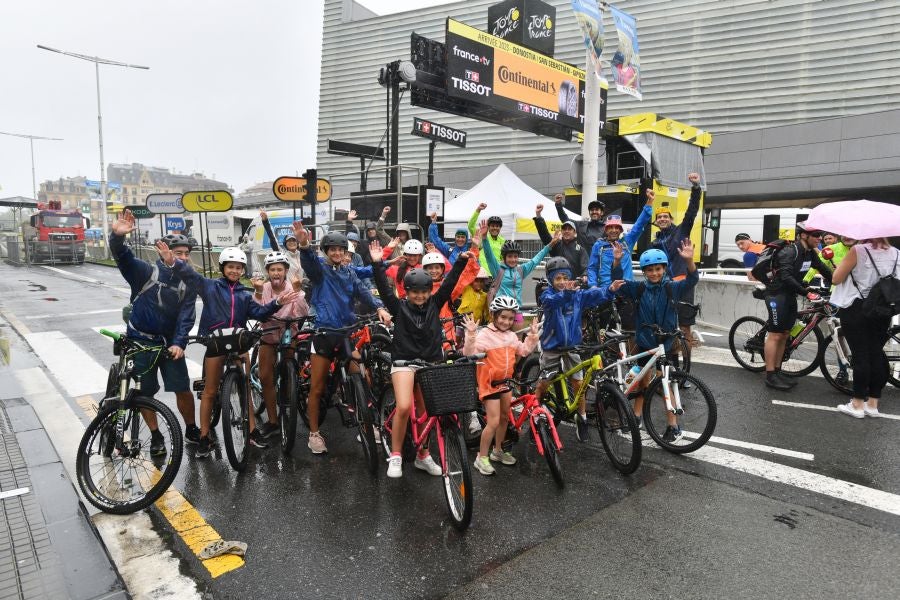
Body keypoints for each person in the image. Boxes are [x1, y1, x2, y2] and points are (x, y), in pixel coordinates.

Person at [159, 244, 300, 457]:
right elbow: (190, 275)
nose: (235, 271)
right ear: (223, 268)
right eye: (231, 267)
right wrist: (173, 262)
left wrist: (277, 303)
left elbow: (260, 313)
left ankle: (252, 431)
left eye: (239, 267)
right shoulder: (210, 286)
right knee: (210, 391)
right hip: (215, 342)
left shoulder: (244, 294)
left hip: (238, 341)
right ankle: (205, 437)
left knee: (245, 387)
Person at [369, 238, 472, 478]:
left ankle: (423, 456)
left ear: (429, 291)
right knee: (404, 406)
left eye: (424, 291)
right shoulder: (398, 307)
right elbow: (384, 291)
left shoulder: (435, 303)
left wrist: (460, 262)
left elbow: (449, 284)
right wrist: (376, 264)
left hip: (430, 363)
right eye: (415, 291)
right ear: (407, 291)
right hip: (404, 362)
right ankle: (395, 455)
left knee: (428, 412)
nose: (420, 296)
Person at [295, 223, 391, 454]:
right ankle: (314, 434)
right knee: (316, 388)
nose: (337, 253)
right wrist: (304, 245)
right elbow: (308, 262)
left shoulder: (349, 272)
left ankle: (367, 424)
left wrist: (379, 307)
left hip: (346, 333)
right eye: (333, 249)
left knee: (361, 376)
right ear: (326, 251)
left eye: (341, 249)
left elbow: (363, 292)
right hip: (324, 335)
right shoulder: (319, 270)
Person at [108, 210, 199, 454]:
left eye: (185, 254)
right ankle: (157, 435)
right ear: (162, 251)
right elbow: (122, 257)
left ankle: (191, 428)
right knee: (144, 392)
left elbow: (187, 315)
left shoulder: (187, 282)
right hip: (140, 340)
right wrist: (116, 237)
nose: (181, 258)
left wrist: (179, 342)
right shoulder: (145, 272)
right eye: (177, 253)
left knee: (182, 387)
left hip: (170, 343)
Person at [614, 242, 699, 440]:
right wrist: (617, 260)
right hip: (644, 341)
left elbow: (692, 279)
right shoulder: (639, 289)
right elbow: (617, 282)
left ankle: (673, 425)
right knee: (643, 379)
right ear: (644, 271)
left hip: (666, 344)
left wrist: (689, 261)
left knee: (665, 382)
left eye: (658, 269)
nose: (654, 273)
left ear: (664, 269)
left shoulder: (672, 288)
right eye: (650, 270)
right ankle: (636, 417)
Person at [535, 255, 624, 441]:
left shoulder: (577, 295)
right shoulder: (547, 294)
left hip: (573, 345)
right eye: (557, 278)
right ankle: (535, 410)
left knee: (579, 383)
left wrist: (609, 289)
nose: (562, 282)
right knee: (544, 383)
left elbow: (594, 295)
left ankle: (581, 418)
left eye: (565, 278)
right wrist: (566, 293)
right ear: (551, 280)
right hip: (552, 346)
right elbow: (552, 303)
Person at [462, 297, 540, 476]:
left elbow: (524, 351)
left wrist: (533, 336)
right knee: (494, 421)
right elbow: (469, 353)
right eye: (503, 317)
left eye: (510, 319)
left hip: (506, 382)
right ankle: (481, 457)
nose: (506, 321)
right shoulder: (485, 335)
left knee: (505, 417)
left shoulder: (511, 336)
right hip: (489, 384)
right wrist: (471, 334)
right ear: (494, 315)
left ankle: (497, 451)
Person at [830, 237, 899, 418]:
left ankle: (857, 404)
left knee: (860, 355)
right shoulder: (896, 253)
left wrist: (841, 266)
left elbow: (836, 279)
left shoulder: (858, 251)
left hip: (857, 307)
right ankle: (873, 404)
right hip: (883, 309)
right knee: (876, 353)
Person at [761, 221, 832, 391]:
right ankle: (770, 375)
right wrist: (806, 293)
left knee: (785, 334)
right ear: (803, 235)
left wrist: (839, 280)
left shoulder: (810, 253)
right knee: (775, 335)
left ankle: (777, 371)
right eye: (815, 235)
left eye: (820, 235)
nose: (819, 238)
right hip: (776, 295)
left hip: (790, 295)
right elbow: (785, 276)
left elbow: (822, 268)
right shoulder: (789, 252)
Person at [250, 251, 309, 441]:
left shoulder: (293, 286)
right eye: (273, 269)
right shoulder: (264, 287)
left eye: (280, 269)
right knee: (266, 376)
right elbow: (257, 311)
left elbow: (302, 312)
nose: (276, 273)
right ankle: (273, 421)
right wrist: (258, 292)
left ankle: (289, 395)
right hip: (268, 333)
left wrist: (299, 292)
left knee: (290, 371)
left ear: (285, 271)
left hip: (287, 332)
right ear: (268, 271)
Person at [650, 172, 703, 357]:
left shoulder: (681, 231)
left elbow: (692, 211)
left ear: (671, 219)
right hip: (665, 287)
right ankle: (673, 367)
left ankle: (686, 370)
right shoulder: (655, 243)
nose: (663, 219)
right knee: (668, 327)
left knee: (685, 327)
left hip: (684, 284)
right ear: (656, 221)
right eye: (660, 217)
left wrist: (696, 188)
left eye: (666, 216)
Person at [479, 220, 558, 310]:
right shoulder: (498, 270)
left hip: (517, 309)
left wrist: (551, 244)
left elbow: (535, 260)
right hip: (501, 311)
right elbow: (489, 255)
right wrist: (484, 238)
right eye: (509, 256)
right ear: (504, 257)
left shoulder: (521, 270)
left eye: (515, 256)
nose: (513, 259)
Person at [587, 189, 655, 289]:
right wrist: (592, 285)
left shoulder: (627, 241)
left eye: (616, 227)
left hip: (627, 289)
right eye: (610, 227)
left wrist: (649, 202)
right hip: (606, 290)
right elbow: (592, 268)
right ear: (606, 230)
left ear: (620, 230)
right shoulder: (599, 245)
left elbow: (639, 225)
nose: (614, 230)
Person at [534, 203, 587, 278]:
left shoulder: (581, 250)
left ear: (575, 232)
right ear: (561, 232)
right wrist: (538, 215)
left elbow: (585, 268)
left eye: (569, 229)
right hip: (556, 285)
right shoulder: (556, 244)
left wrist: (585, 276)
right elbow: (544, 234)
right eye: (564, 229)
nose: (567, 231)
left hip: (574, 286)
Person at [468, 202, 505, 270]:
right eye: (492, 226)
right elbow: (470, 226)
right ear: (488, 227)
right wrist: (478, 210)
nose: (495, 228)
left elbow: (503, 259)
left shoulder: (503, 241)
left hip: (497, 275)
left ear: (500, 228)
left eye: (497, 226)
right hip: (484, 275)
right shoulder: (482, 236)